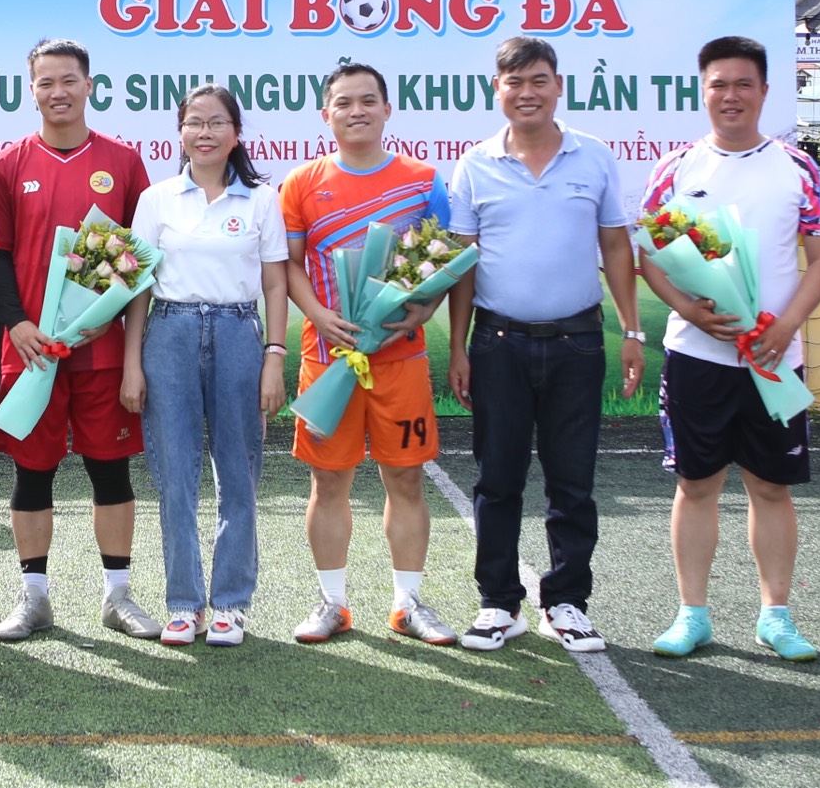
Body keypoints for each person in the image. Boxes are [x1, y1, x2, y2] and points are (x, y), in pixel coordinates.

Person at [634, 37, 820, 662]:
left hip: (775, 359)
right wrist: (689, 308)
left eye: (743, 84)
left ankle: (776, 615)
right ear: (703, 92)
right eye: (719, 84)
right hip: (696, 358)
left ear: (765, 91)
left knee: (771, 487)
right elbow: (650, 256)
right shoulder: (675, 168)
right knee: (696, 486)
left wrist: (786, 326)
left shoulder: (799, 169)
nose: (731, 96)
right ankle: (691, 614)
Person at [446, 38, 643, 653]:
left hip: (577, 342)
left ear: (558, 85)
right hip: (497, 343)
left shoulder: (595, 156)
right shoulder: (474, 164)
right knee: (497, 479)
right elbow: (463, 263)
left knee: (572, 481)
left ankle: (567, 602)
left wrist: (631, 331)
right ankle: (498, 603)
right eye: (514, 82)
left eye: (538, 80)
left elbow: (616, 246)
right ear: (497, 89)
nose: (526, 93)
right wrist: (459, 347)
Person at [0, 39, 156, 641]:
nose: (58, 92)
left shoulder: (123, 162)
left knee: (111, 471)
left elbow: (138, 261)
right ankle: (34, 599)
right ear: (31, 90)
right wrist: (16, 322)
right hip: (32, 352)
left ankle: (118, 597)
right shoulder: (8, 166)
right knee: (32, 474)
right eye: (46, 82)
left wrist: (121, 333)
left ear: (89, 85)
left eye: (68, 80)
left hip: (101, 352)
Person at [281, 63, 457, 646]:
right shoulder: (301, 183)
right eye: (343, 102)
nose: (356, 111)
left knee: (405, 479)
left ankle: (408, 603)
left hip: (399, 357)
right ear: (325, 114)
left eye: (367, 100)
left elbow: (443, 262)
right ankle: (332, 604)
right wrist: (318, 314)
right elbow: (290, 266)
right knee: (328, 482)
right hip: (327, 357)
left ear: (387, 109)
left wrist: (424, 310)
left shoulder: (423, 180)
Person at [123, 85, 290, 647]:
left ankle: (230, 603)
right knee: (175, 475)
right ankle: (184, 603)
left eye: (217, 122)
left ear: (236, 134)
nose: (205, 133)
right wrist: (132, 363)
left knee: (238, 474)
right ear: (180, 133)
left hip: (239, 333)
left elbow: (275, 284)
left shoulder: (261, 200)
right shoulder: (157, 199)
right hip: (168, 334)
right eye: (194, 122)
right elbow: (137, 286)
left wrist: (274, 356)